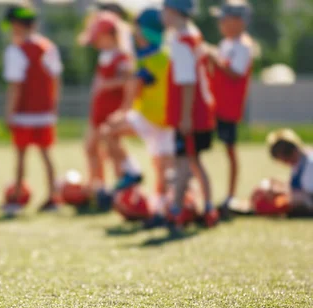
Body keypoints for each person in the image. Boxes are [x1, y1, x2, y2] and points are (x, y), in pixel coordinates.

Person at [101, 8, 175, 227]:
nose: (135, 34)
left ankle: (162, 210)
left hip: (162, 121)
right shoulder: (144, 56)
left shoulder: (160, 56)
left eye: (139, 30)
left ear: (149, 31)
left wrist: (123, 111)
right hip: (145, 117)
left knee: (162, 170)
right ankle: (132, 171)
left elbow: (136, 85)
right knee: (109, 132)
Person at [162, 0, 219, 231]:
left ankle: (176, 210)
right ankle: (207, 207)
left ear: (174, 11)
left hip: (192, 113)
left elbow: (187, 82)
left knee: (184, 161)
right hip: (200, 110)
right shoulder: (193, 34)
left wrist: (185, 116)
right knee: (193, 161)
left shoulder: (182, 40)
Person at [2, 5, 63, 214]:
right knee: (46, 155)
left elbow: (15, 86)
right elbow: (56, 80)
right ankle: (53, 197)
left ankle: (16, 199)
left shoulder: (15, 50)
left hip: (24, 113)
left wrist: (9, 113)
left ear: (16, 25)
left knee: (20, 155)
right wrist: (54, 107)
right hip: (45, 112)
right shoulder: (49, 47)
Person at [78, 11, 133, 193]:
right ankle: (97, 185)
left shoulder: (122, 57)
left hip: (112, 109)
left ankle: (121, 187)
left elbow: (128, 81)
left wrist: (107, 84)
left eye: (99, 38)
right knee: (90, 147)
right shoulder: (104, 55)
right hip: (99, 110)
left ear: (110, 35)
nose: (96, 43)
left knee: (112, 151)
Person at [209, 0, 254, 213]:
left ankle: (231, 195)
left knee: (229, 150)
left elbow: (235, 73)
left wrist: (213, 59)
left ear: (238, 22)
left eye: (224, 20)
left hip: (229, 107)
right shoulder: (226, 44)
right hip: (215, 105)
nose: (220, 24)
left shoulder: (244, 46)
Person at [267, 129, 313, 212]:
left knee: (295, 199)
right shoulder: (299, 163)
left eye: (285, 159)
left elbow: (308, 193)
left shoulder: (310, 162)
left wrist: (285, 194)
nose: (285, 163)